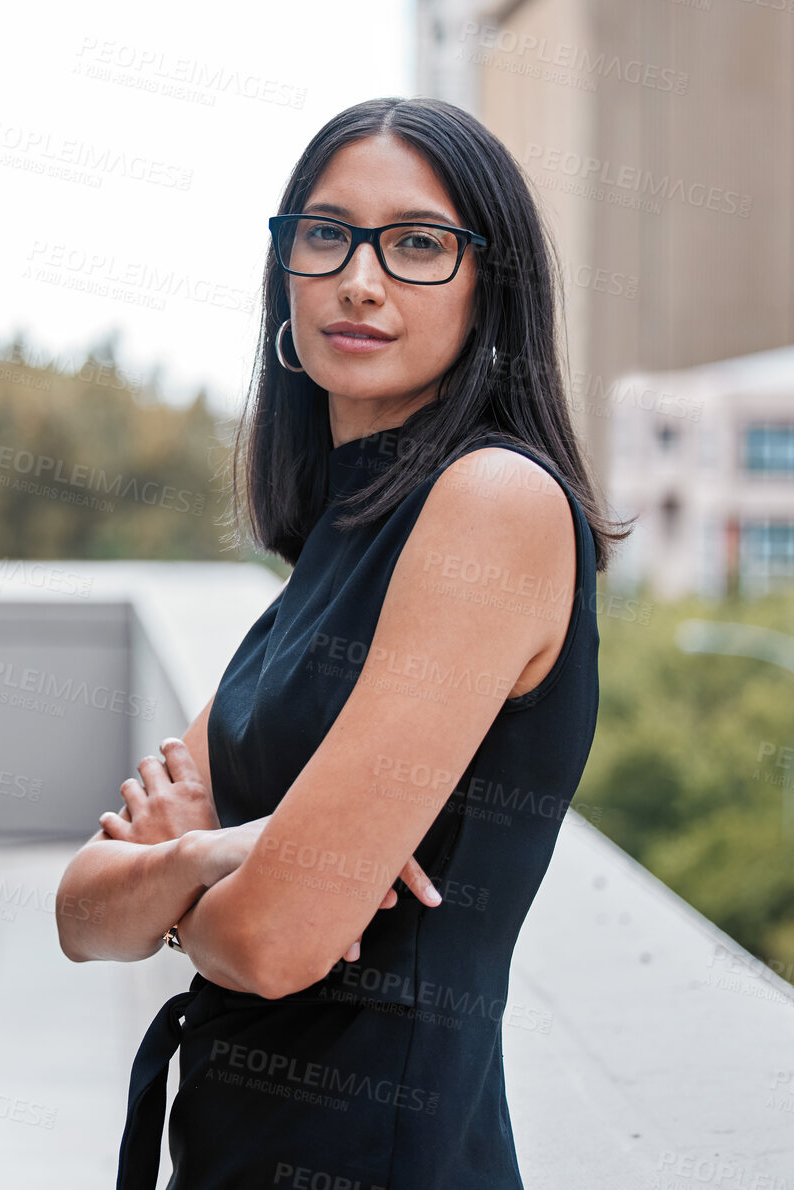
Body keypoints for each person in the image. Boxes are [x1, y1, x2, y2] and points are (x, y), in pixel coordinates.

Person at [56, 96, 630, 1189]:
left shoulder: (493, 502)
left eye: (418, 244)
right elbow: (83, 910)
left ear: (489, 288)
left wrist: (201, 886)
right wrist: (217, 853)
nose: (359, 279)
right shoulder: (338, 544)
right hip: (234, 1143)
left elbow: (277, 942)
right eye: (326, 234)